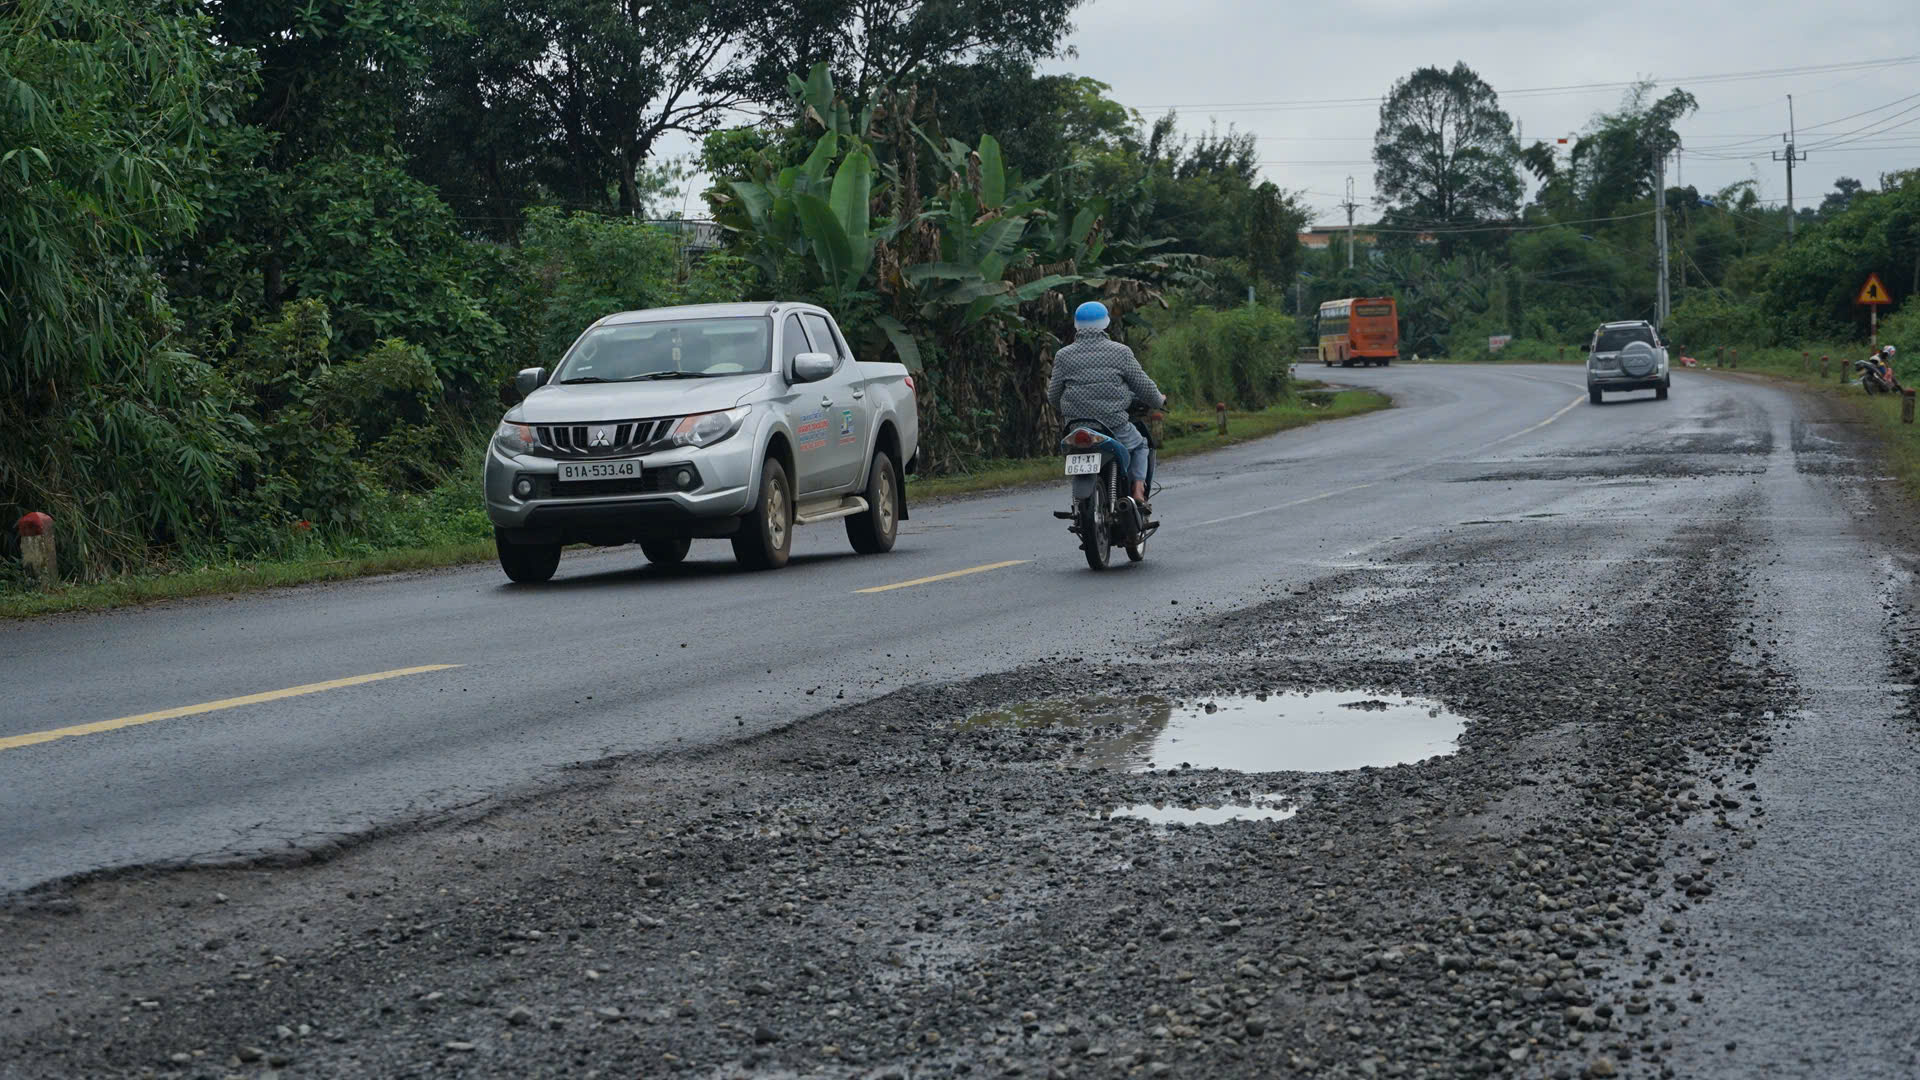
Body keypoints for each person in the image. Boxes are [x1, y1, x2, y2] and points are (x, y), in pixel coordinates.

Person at [1048, 301, 1166, 511]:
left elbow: (1054, 395)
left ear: (1076, 325)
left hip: (1077, 427)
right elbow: (1144, 386)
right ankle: (1138, 492)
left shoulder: (1063, 355)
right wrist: (1159, 400)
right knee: (1141, 446)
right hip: (1114, 425)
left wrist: (1066, 409)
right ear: (1105, 323)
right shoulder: (1120, 352)